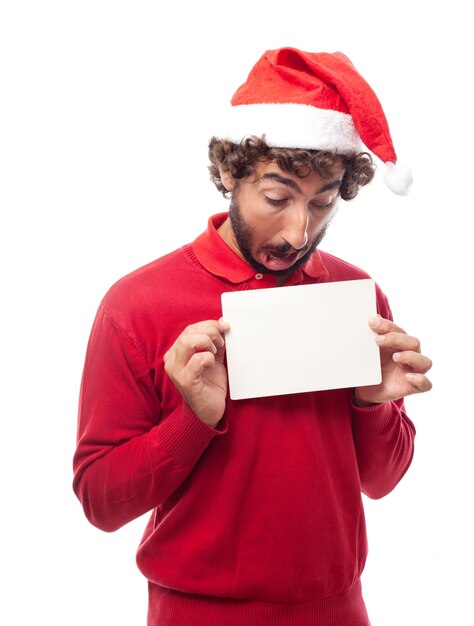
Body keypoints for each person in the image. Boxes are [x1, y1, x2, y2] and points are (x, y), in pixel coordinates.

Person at [73, 47, 432, 626]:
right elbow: (101, 503)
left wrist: (373, 403)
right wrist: (193, 418)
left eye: (322, 202)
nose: (299, 231)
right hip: (197, 614)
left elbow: (381, 481)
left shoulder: (355, 294)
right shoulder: (136, 305)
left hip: (339, 609)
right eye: (276, 198)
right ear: (227, 173)